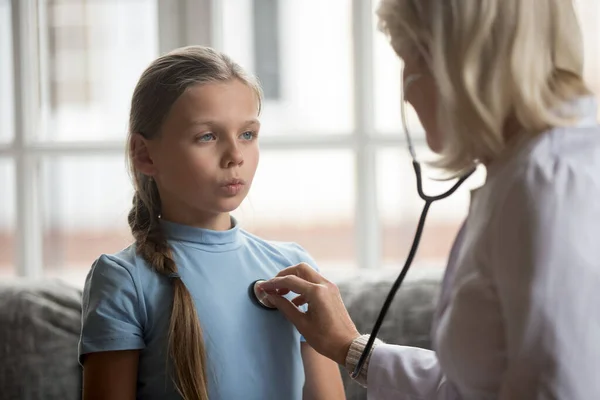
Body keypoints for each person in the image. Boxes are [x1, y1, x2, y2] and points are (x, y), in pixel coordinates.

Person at [257, 0, 600, 398]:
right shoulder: (528, 175)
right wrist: (350, 349)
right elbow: (477, 388)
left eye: (409, 61)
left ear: (459, 66)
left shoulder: (547, 189)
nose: (405, 92)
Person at [78, 46, 345, 400]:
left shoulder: (292, 268)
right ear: (145, 154)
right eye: (207, 136)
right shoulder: (124, 279)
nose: (235, 155)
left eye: (247, 134)